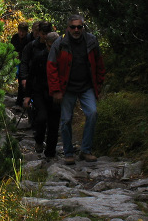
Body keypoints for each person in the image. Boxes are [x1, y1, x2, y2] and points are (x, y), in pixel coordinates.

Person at [47, 14, 106, 165]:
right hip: (67, 88)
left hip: (87, 86)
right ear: (68, 28)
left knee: (92, 113)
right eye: (73, 27)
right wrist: (56, 90)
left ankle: (86, 150)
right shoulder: (60, 44)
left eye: (79, 27)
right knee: (66, 120)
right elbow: (51, 67)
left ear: (83, 27)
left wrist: (99, 82)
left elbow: (99, 62)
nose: (76, 30)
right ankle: (68, 152)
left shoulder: (91, 41)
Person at [23, 31, 61, 160]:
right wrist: (27, 96)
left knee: (54, 124)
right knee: (41, 118)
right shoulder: (39, 58)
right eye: (51, 46)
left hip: (56, 94)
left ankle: (50, 152)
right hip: (40, 93)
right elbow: (31, 77)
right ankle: (39, 140)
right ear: (46, 45)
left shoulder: (63, 58)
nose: (53, 49)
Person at [10, 22, 31, 107]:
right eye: (20, 31)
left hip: (26, 63)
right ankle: (19, 102)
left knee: (24, 82)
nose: (21, 33)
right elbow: (11, 49)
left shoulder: (29, 39)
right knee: (20, 82)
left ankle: (21, 101)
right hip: (17, 62)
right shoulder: (15, 38)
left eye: (23, 31)